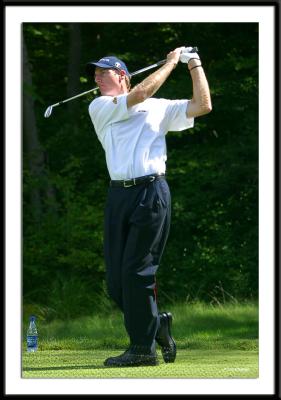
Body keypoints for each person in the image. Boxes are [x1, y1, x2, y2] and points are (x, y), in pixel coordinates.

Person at [86, 46, 212, 367]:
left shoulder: (160, 108)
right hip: (119, 196)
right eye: (96, 73)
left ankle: (142, 349)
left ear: (123, 77)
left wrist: (193, 64)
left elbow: (203, 105)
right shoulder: (100, 106)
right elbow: (141, 93)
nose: (98, 77)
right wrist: (172, 62)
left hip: (151, 192)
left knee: (138, 271)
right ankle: (157, 327)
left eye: (105, 72)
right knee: (117, 284)